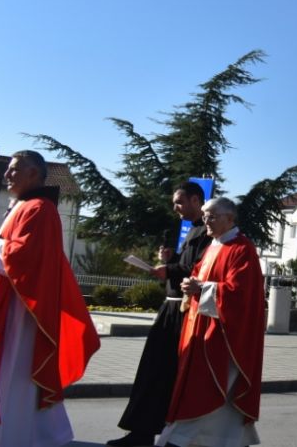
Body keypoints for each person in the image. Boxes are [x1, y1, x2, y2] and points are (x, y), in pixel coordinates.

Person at [0, 150, 100, 446]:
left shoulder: (40, 209)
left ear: (34, 174)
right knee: (8, 375)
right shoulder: (22, 206)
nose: (7, 175)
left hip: (23, 312)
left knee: (15, 374)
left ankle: (15, 436)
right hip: (12, 304)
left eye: (14, 170)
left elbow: (24, 257)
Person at [109, 181, 213, 447]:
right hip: (171, 307)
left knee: (166, 373)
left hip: (186, 311)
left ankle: (162, 433)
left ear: (194, 200)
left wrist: (171, 268)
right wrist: (170, 259)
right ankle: (142, 431)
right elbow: (186, 264)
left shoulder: (208, 233)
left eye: (179, 202)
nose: (176, 208)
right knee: (153, 370)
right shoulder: (191, 230)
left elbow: (202, 269)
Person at [157, 196, 265, 447]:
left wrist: (201, 288)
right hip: (202, 331)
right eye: (205, 215)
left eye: (212, 215)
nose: (206, 219)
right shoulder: (214, 246)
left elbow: (239, 294)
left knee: (211, 390)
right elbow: (199, 276)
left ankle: (184, 439)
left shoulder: (242, 249)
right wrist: (189, 286)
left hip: (225, 338)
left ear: (230, 219)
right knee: (207, 392)